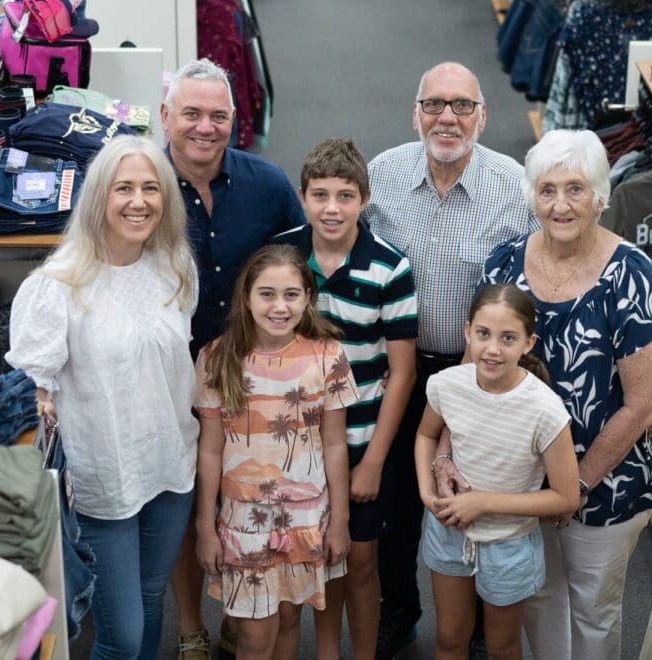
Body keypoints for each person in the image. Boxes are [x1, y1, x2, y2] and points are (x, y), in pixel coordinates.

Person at [436, 128, 652, 659]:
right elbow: (470, 372)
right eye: (547, 189)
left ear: (600, 196)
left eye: (575, 188)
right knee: (537, 602)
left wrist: (578, 485)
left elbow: (645, 402)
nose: (560, 204)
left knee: (594, 615)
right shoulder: (503, 264)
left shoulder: (629, 273)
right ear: (531, 196)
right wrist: (445, 450)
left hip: (605, 481)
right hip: (518, 477)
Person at [362, 60, 540, 656]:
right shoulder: (381, 177)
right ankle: (400, 611)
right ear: (415, 113)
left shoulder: (513, 186)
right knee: (394, 503)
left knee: (476, 498)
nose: (447, 117)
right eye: (434, 104)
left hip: (482, 376)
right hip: (399, 372)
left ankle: (484, 624)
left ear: (483, 116)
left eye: (462, 105)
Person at [7, 135, 199, 660]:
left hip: (171, 465)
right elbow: (32, 390)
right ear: (98, 198)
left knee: (151, 598)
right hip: (103, 478)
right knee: (121, 636)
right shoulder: (57, 285)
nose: (139, 201)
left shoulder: (175, 265)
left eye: (150, 189)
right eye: (124, 189)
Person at [161, 58, 306, 659]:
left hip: (257, 385)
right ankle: (192, 626)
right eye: (190, 113)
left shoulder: (269, 185)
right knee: (184, 499)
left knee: (247, 499)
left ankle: (239, 612)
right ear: (165, 115)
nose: (204, 126)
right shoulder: (144, 186)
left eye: (218, 115)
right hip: (166, 377)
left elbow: (298, 276)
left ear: (234, 120)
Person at [271, 138, 418, 659]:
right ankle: (328, 650)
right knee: (317, 557)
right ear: (302, 196)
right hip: (299, 446)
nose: (332, 208)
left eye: (345, 196)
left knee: (359, 562)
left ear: (365, 199)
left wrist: (375, 460)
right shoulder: (282, 256)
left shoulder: (390, 267)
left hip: (361, 442)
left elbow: (401, 372)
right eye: (319, 195)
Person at [193, 245, 360, 659]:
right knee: (253, 636)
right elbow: (211, 449)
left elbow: (335, 443)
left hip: (306, 514)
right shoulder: (217, 358)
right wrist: (204, 525)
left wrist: (340, 520)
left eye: (291, 294)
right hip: (243, 519)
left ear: (307, 297)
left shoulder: (328, 356)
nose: (279, 306)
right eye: (266, 294)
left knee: (289, 619)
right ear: (246, 298)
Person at [415, 284, 579, 660]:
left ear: (528, 342)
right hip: (449, 531)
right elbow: (426, 434)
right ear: (466, 332)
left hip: (508, 543)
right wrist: (427, 492)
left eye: (508, 338)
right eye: (483, 334)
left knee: (502, 646)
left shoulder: (545, 410)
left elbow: (565, 497)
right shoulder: (446, 384)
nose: (492, 349)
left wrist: (482, 503)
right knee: (449, 637)